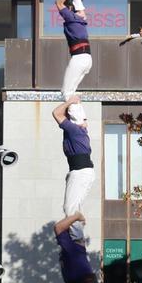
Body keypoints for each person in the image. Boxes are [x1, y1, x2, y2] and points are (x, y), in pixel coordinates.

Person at [51, 95, 94, 238]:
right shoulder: (79, 131)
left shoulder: (74, 130)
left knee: (69, 209)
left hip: (80, 171)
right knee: (73, 207)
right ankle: (78, 235)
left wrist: (70, 101)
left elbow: (56, 113)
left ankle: (77, 238)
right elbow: (64, 115)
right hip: (84, 171)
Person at [53, 211, 102, 283]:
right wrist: (77, 217)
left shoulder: (71, 252)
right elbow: (58, 227)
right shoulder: (70, 250)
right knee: (70, 208)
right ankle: (77, 217)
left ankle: (78, 220)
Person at [53, 0, 92, 102]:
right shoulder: (81, 19)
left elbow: (58, 2)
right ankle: (78, 115)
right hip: (87, 59)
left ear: (69, 8)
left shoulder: (71, 17)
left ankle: (77, 119)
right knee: (71, 93)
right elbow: (81, 10)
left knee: (66, 93)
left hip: (79, 58)